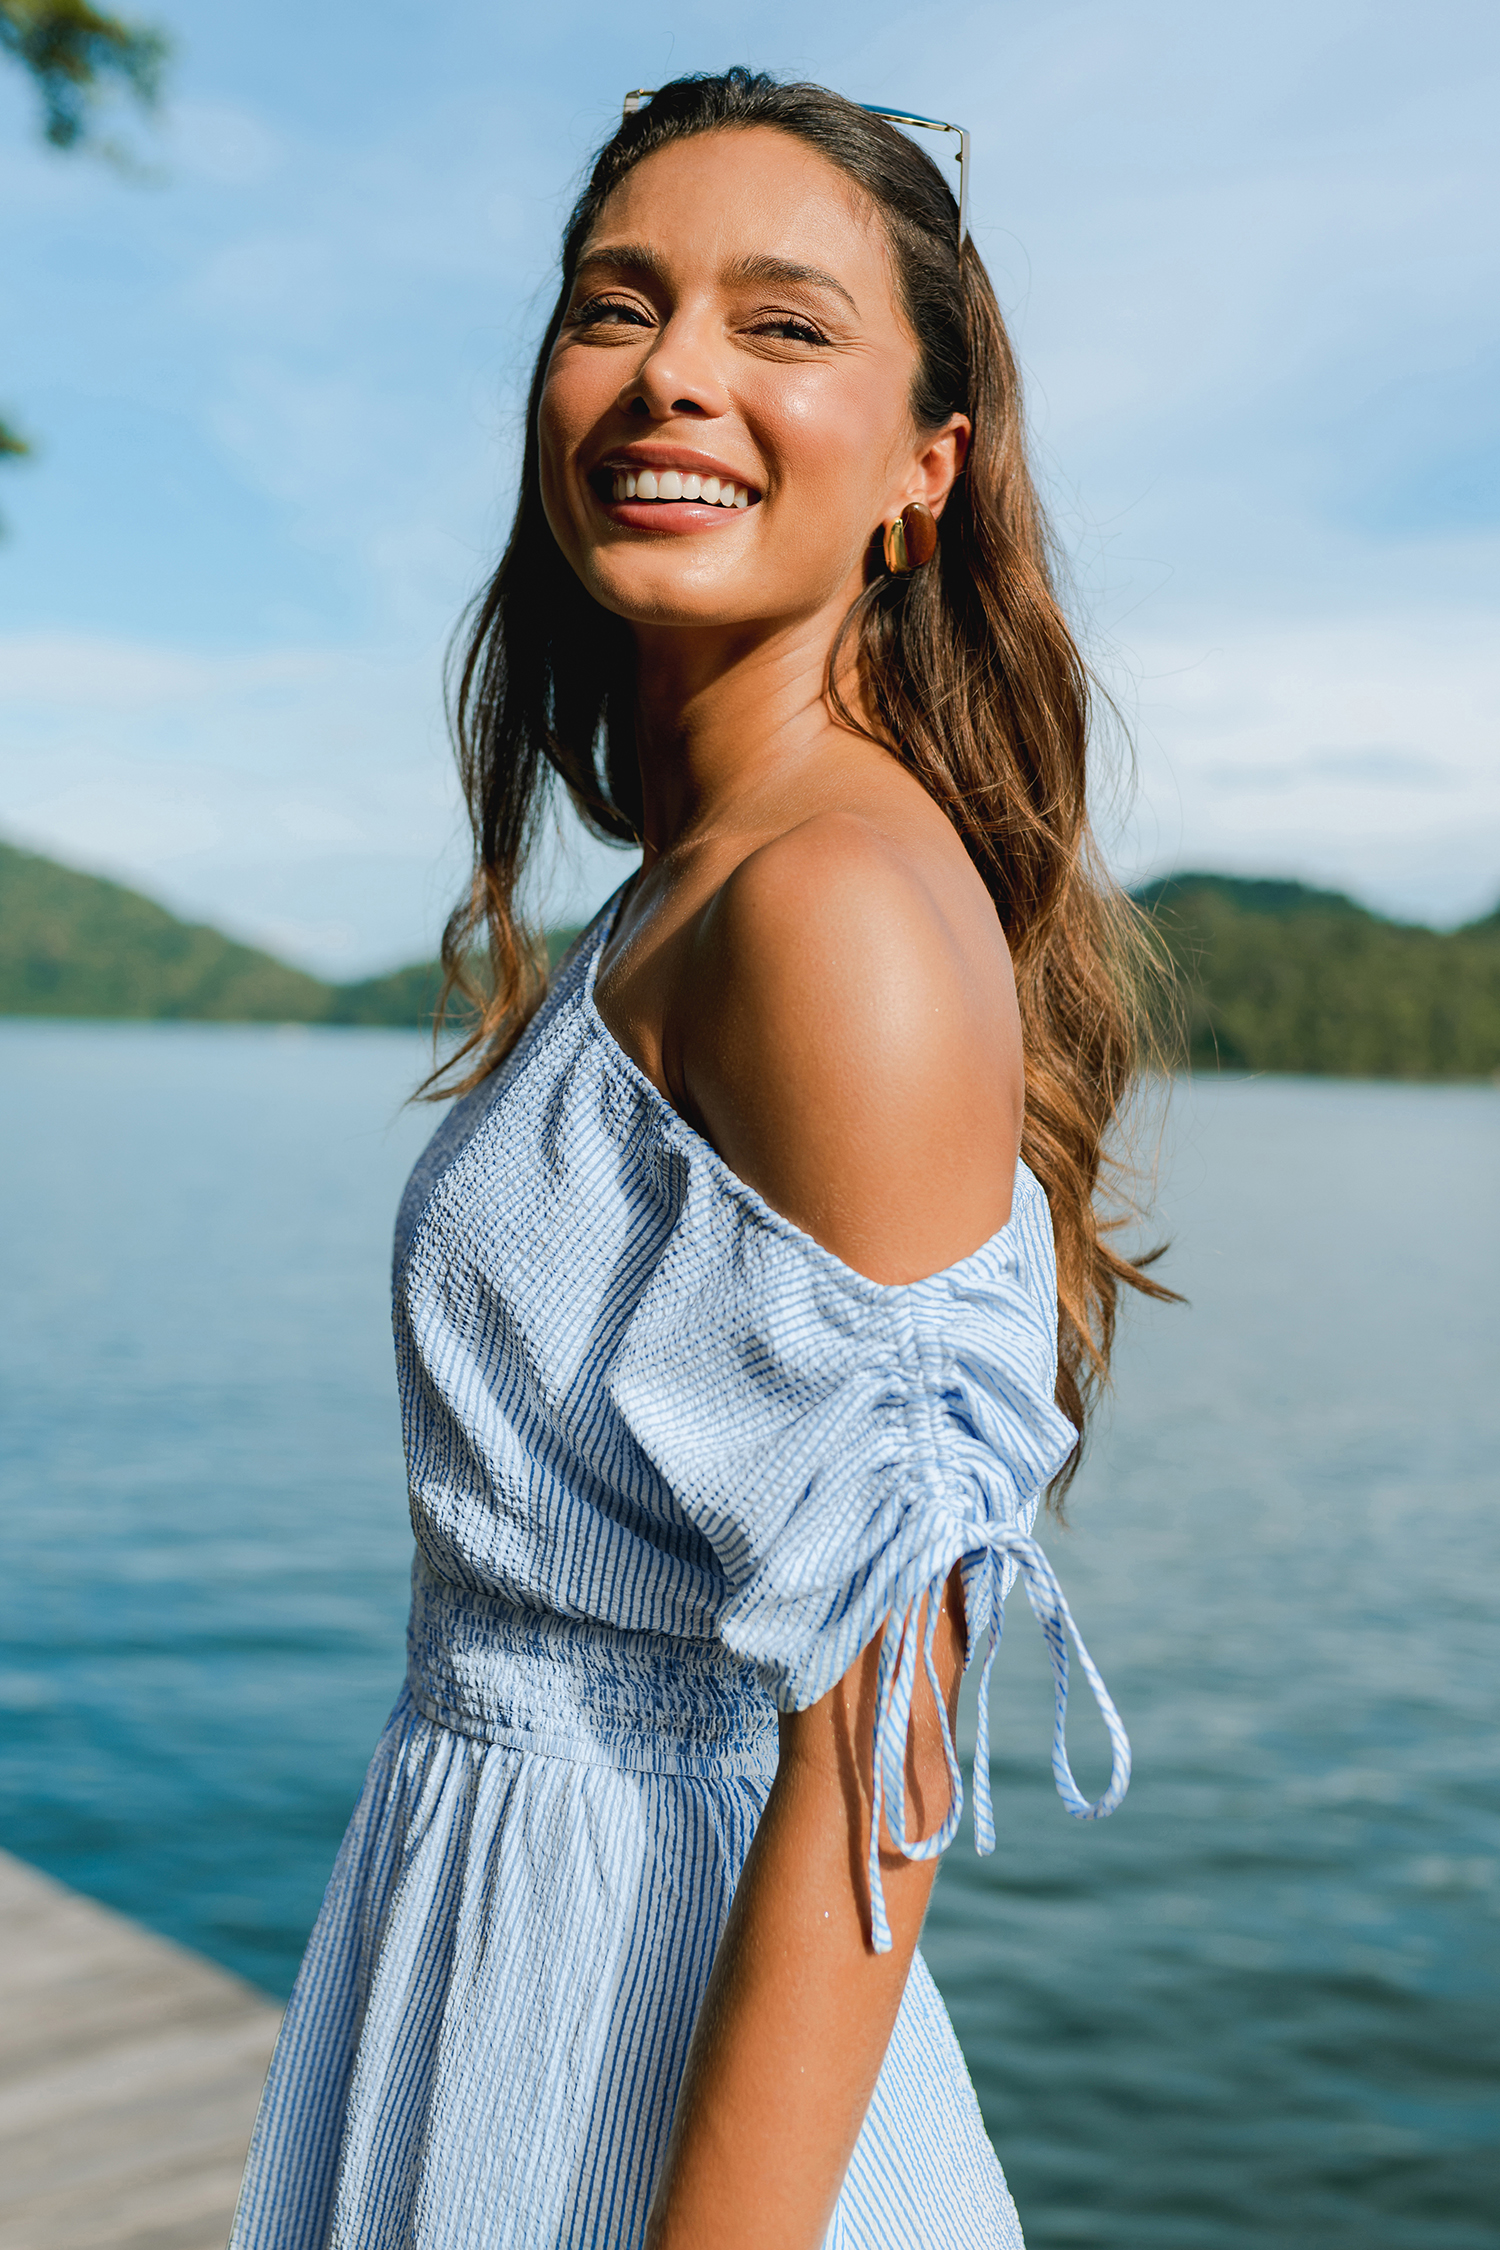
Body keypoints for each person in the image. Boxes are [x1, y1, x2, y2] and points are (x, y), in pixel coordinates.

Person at [230, 68, 1166, 2250]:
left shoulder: (826, 904)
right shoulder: (701, 880)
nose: (675, 372)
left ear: (923, 477)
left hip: (635, 2042)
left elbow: (882, 1752)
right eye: (615, 303)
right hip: (504, 1961)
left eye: (785, 322)